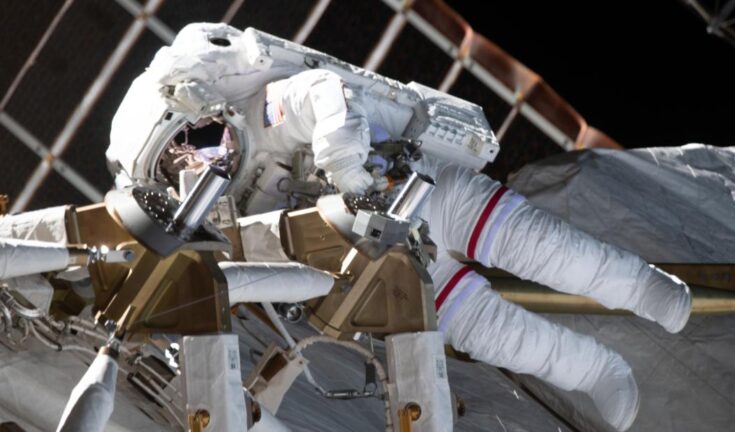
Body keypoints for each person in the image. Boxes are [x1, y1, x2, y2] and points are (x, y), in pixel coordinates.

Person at [108, 23, 692, 431]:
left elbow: (323, 95)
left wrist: (347, 171)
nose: (199, 159)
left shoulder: (262, 112)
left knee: (555, 254)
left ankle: (646, 290)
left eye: (197, 138)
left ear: (205, 107)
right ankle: (599, 372)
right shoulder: (221, 213)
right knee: (492, 334)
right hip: (387, 258)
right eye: (177, 162)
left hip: (422, 191)